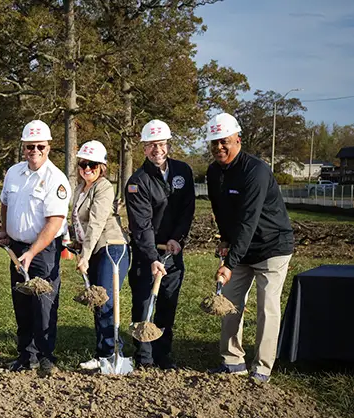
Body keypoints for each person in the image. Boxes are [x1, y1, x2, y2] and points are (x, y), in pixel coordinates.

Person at [205, 112, 294, 383]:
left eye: (225, 142)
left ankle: (263, 367)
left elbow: (248, 222)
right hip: (240, 247)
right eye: (214, 143)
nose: (219, 147)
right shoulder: (213, 172)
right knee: (230, 303)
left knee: (267, 306)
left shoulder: (255, 171)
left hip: (271, 246)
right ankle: (233, 361)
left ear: (238, 140)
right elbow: (220, 210)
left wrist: (229, 264)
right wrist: (224, 239)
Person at [0, 119, 71, 375]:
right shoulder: (14, 172)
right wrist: (5, 230)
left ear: (48, 147)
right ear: (23, 147)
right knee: (22, 303)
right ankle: (26, 356)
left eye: (40, 146)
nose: (34, 151)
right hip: (16, 248)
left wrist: (33, 252)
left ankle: (46, 356)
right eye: (30, 147)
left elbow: (54, 223)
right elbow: (5, 203)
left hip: (44, 251)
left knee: (44, 304)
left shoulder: (56, 179)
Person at [125, 119, 195, 370]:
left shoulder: (183, 171)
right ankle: (144, 356)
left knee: (167, 301)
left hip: (173, 251)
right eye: (152, 145)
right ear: (144, 147)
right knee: (144, 302)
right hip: (147, 253)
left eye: (162, 144)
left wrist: (178, 239)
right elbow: (141, 225)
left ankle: (163, 354)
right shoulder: (138, 181)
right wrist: (153, 256)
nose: (158, 149)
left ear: (168, 145)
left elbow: (187, 210)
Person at [69, 141, 129, 370]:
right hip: (93, 249)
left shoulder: (103, 187)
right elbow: (79, 221)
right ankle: (102, 353)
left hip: (111, 248)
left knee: (104, 300)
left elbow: (95, 222)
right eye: (83, 163)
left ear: (102, 166)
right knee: (97, 302)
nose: (87, 168)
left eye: (92, 165)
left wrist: (84, 255)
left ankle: (114, 354)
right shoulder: (80, 187)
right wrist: (76, 243)